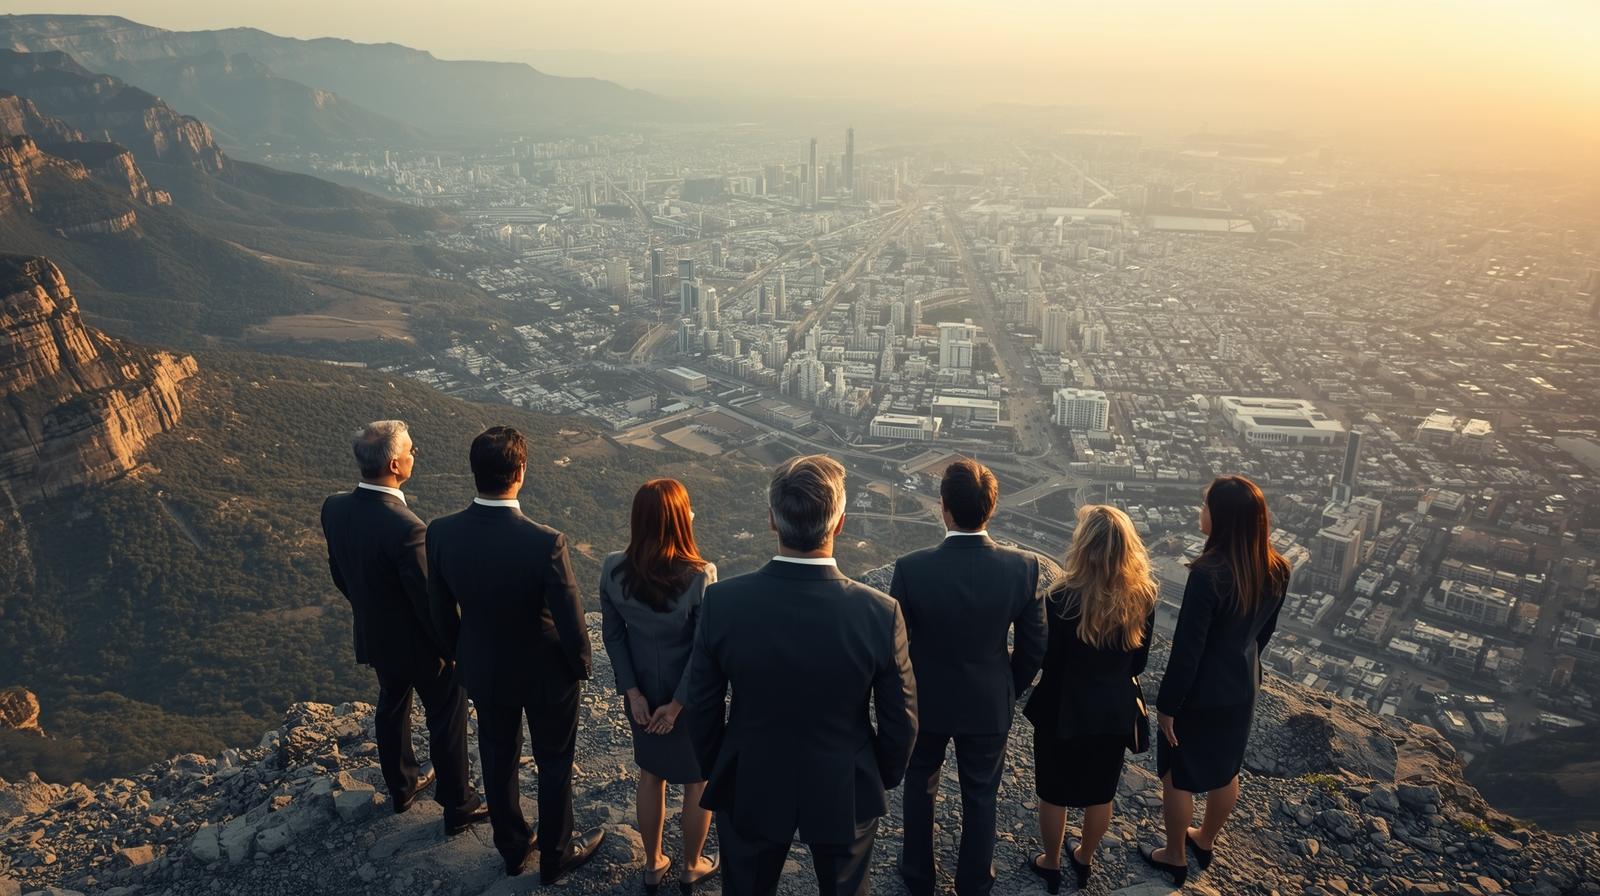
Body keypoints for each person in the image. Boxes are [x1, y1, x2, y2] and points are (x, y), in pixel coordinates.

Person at [685, 454, 917, 896]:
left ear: (772, 519)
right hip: (844, 779)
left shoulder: (723, 604)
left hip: (750, 774)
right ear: (841, 523)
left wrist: (723, 766)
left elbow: (701, 705)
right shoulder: (879, 614)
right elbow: (901, 718)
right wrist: (877, 775)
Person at [426, 426, 606, 881]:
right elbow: (571, 620)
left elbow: (440, 610)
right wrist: (580, 666)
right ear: (521, 472)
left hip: (484, 669)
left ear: (474, 473)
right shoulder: (545, 542)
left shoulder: (442, 533)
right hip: (548, 674)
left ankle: (511, 847)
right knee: (554, 761)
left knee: (497, 754)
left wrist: (459, 653)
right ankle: (556, 854)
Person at [320, 420, 486, 836]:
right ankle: (458, 805)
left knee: (391, 704)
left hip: (375, 637)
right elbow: (429, 604)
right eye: (411, 450)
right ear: (395, 464)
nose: (416, 455)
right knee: (445, 716)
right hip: (421, 648)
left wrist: (371, 612)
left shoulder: (334, 508)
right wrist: (452, 651)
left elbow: (340, 575)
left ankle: (402, 787)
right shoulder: (408, 528)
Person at [891, 459, 1046, 896]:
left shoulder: (911, 569)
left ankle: (919, 876)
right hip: (988, 700)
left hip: (926, 700)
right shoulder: (1023, 568)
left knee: (919, 787)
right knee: (981, 794)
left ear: (944, 508)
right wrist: (1008, 686)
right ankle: (974, 881)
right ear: (990, 508)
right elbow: (1035, 646)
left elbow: (895, 647)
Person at [1141, 476, 1291, 887]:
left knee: (1177, 776)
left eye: (1205, 504)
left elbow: (1188, 650)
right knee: (1226, 771)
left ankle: (1173, 856)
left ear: (1222, 518)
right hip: (1242, 687)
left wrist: (1169, 705)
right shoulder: (1278, 567)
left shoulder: (1207, 575)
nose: (1199, 510)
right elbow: (1264, 635)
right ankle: (1204, 840)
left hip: (1200, 694)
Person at [1023, 505, 1156, 893]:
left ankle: (1050, 862)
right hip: (1113, 711)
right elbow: (1140, 662)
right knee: (1101, 793)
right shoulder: (1144, 597)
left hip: (1061, 709)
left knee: (1053, 791)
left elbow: (1048, 660)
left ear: (1084, 545)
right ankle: (1084, 857)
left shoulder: (1061, 598)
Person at [600, 479, 720, 894]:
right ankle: (690, 865)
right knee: (696, 781)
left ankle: (652, 864)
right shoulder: (701, 576)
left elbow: (612, 637)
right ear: (679, 519)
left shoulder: (613, 569)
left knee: (650, 774)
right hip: (688, 698)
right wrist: (678, 705)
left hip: (642, 696)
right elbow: (704, 649)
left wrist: (633, 694)